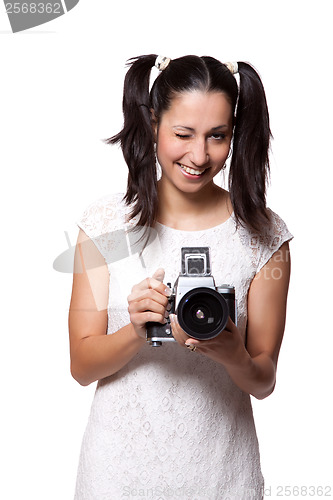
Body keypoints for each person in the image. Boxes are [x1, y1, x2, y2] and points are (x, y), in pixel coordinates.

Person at [69, 54, 293, 500]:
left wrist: (234, 355)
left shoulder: (265, 236)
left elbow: (264, 380)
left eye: (217, 136)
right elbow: (80, 365)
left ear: (234, 135)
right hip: (116, 475)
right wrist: (137, 330)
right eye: (183, 134)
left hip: (223, 474)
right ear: (153, 124)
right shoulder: (105, 226)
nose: (199, 155)